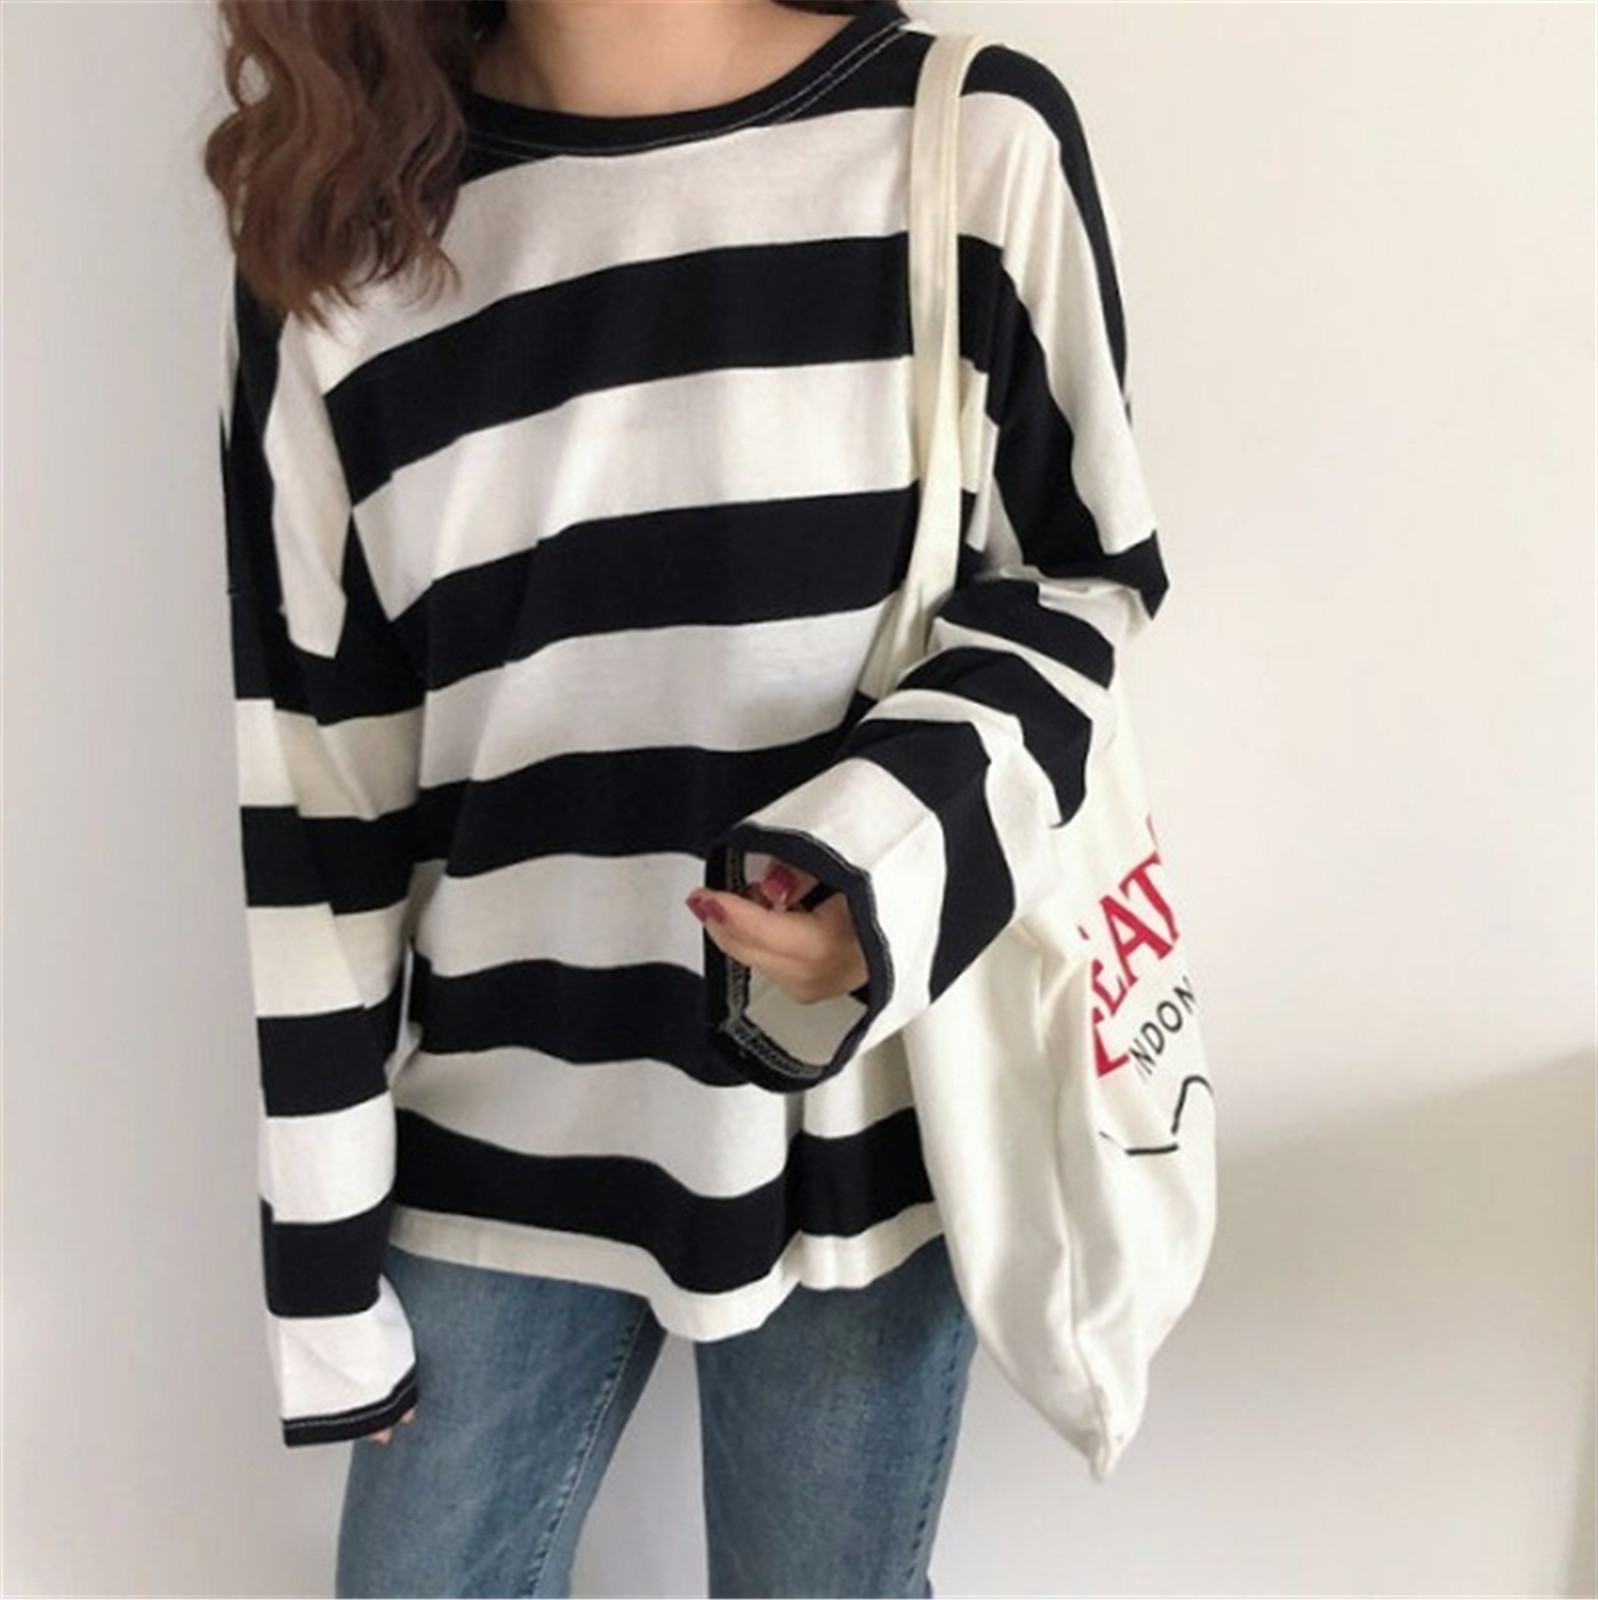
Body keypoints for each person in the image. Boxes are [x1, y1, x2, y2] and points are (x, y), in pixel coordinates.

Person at [205, 0, 1169, 1593]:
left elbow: (1085, 585)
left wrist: (876, 867)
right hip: (496, 1136)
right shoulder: (340, 248)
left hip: (855, 1131)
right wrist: (320, 1264)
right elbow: (316, 799)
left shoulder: (967, 139)